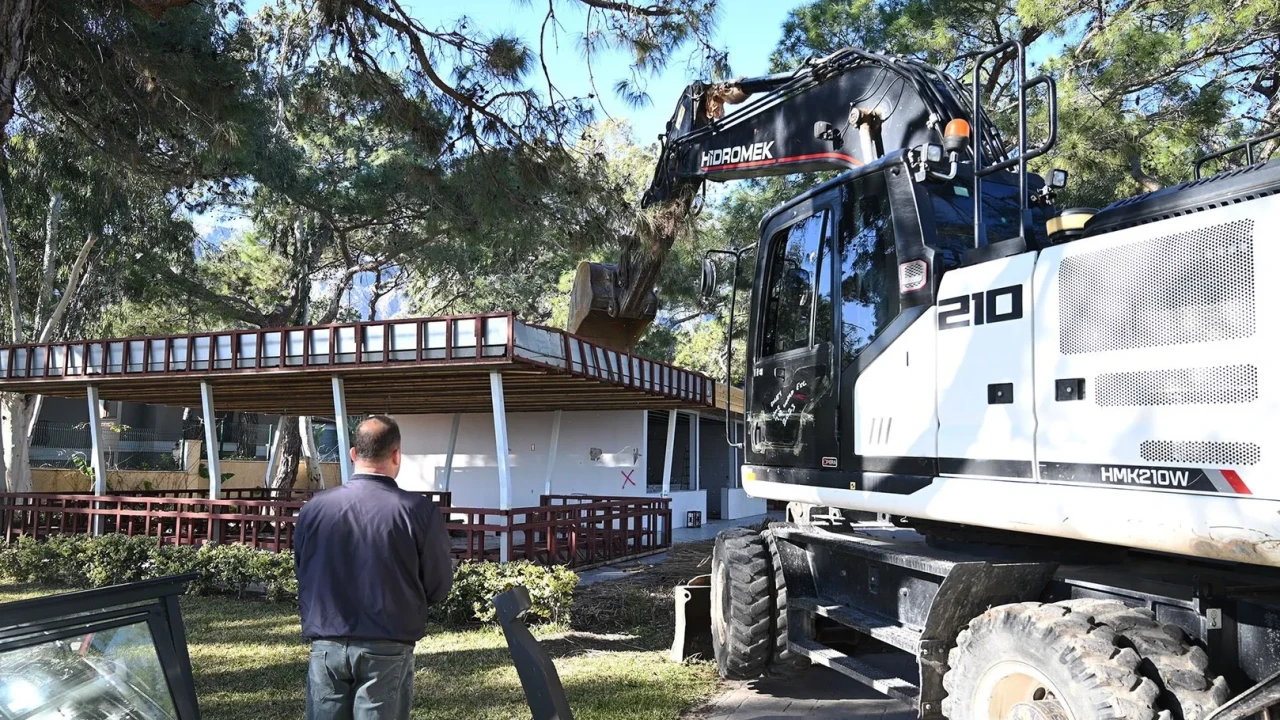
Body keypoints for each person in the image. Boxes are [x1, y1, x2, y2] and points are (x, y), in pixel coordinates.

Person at [294, 415, 453, 720]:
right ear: (396, 455)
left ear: (354, 454)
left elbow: (303, 570)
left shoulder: (314, 508)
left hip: (327, 640)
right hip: (388, 640)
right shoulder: (418, 511)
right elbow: (438, 583)